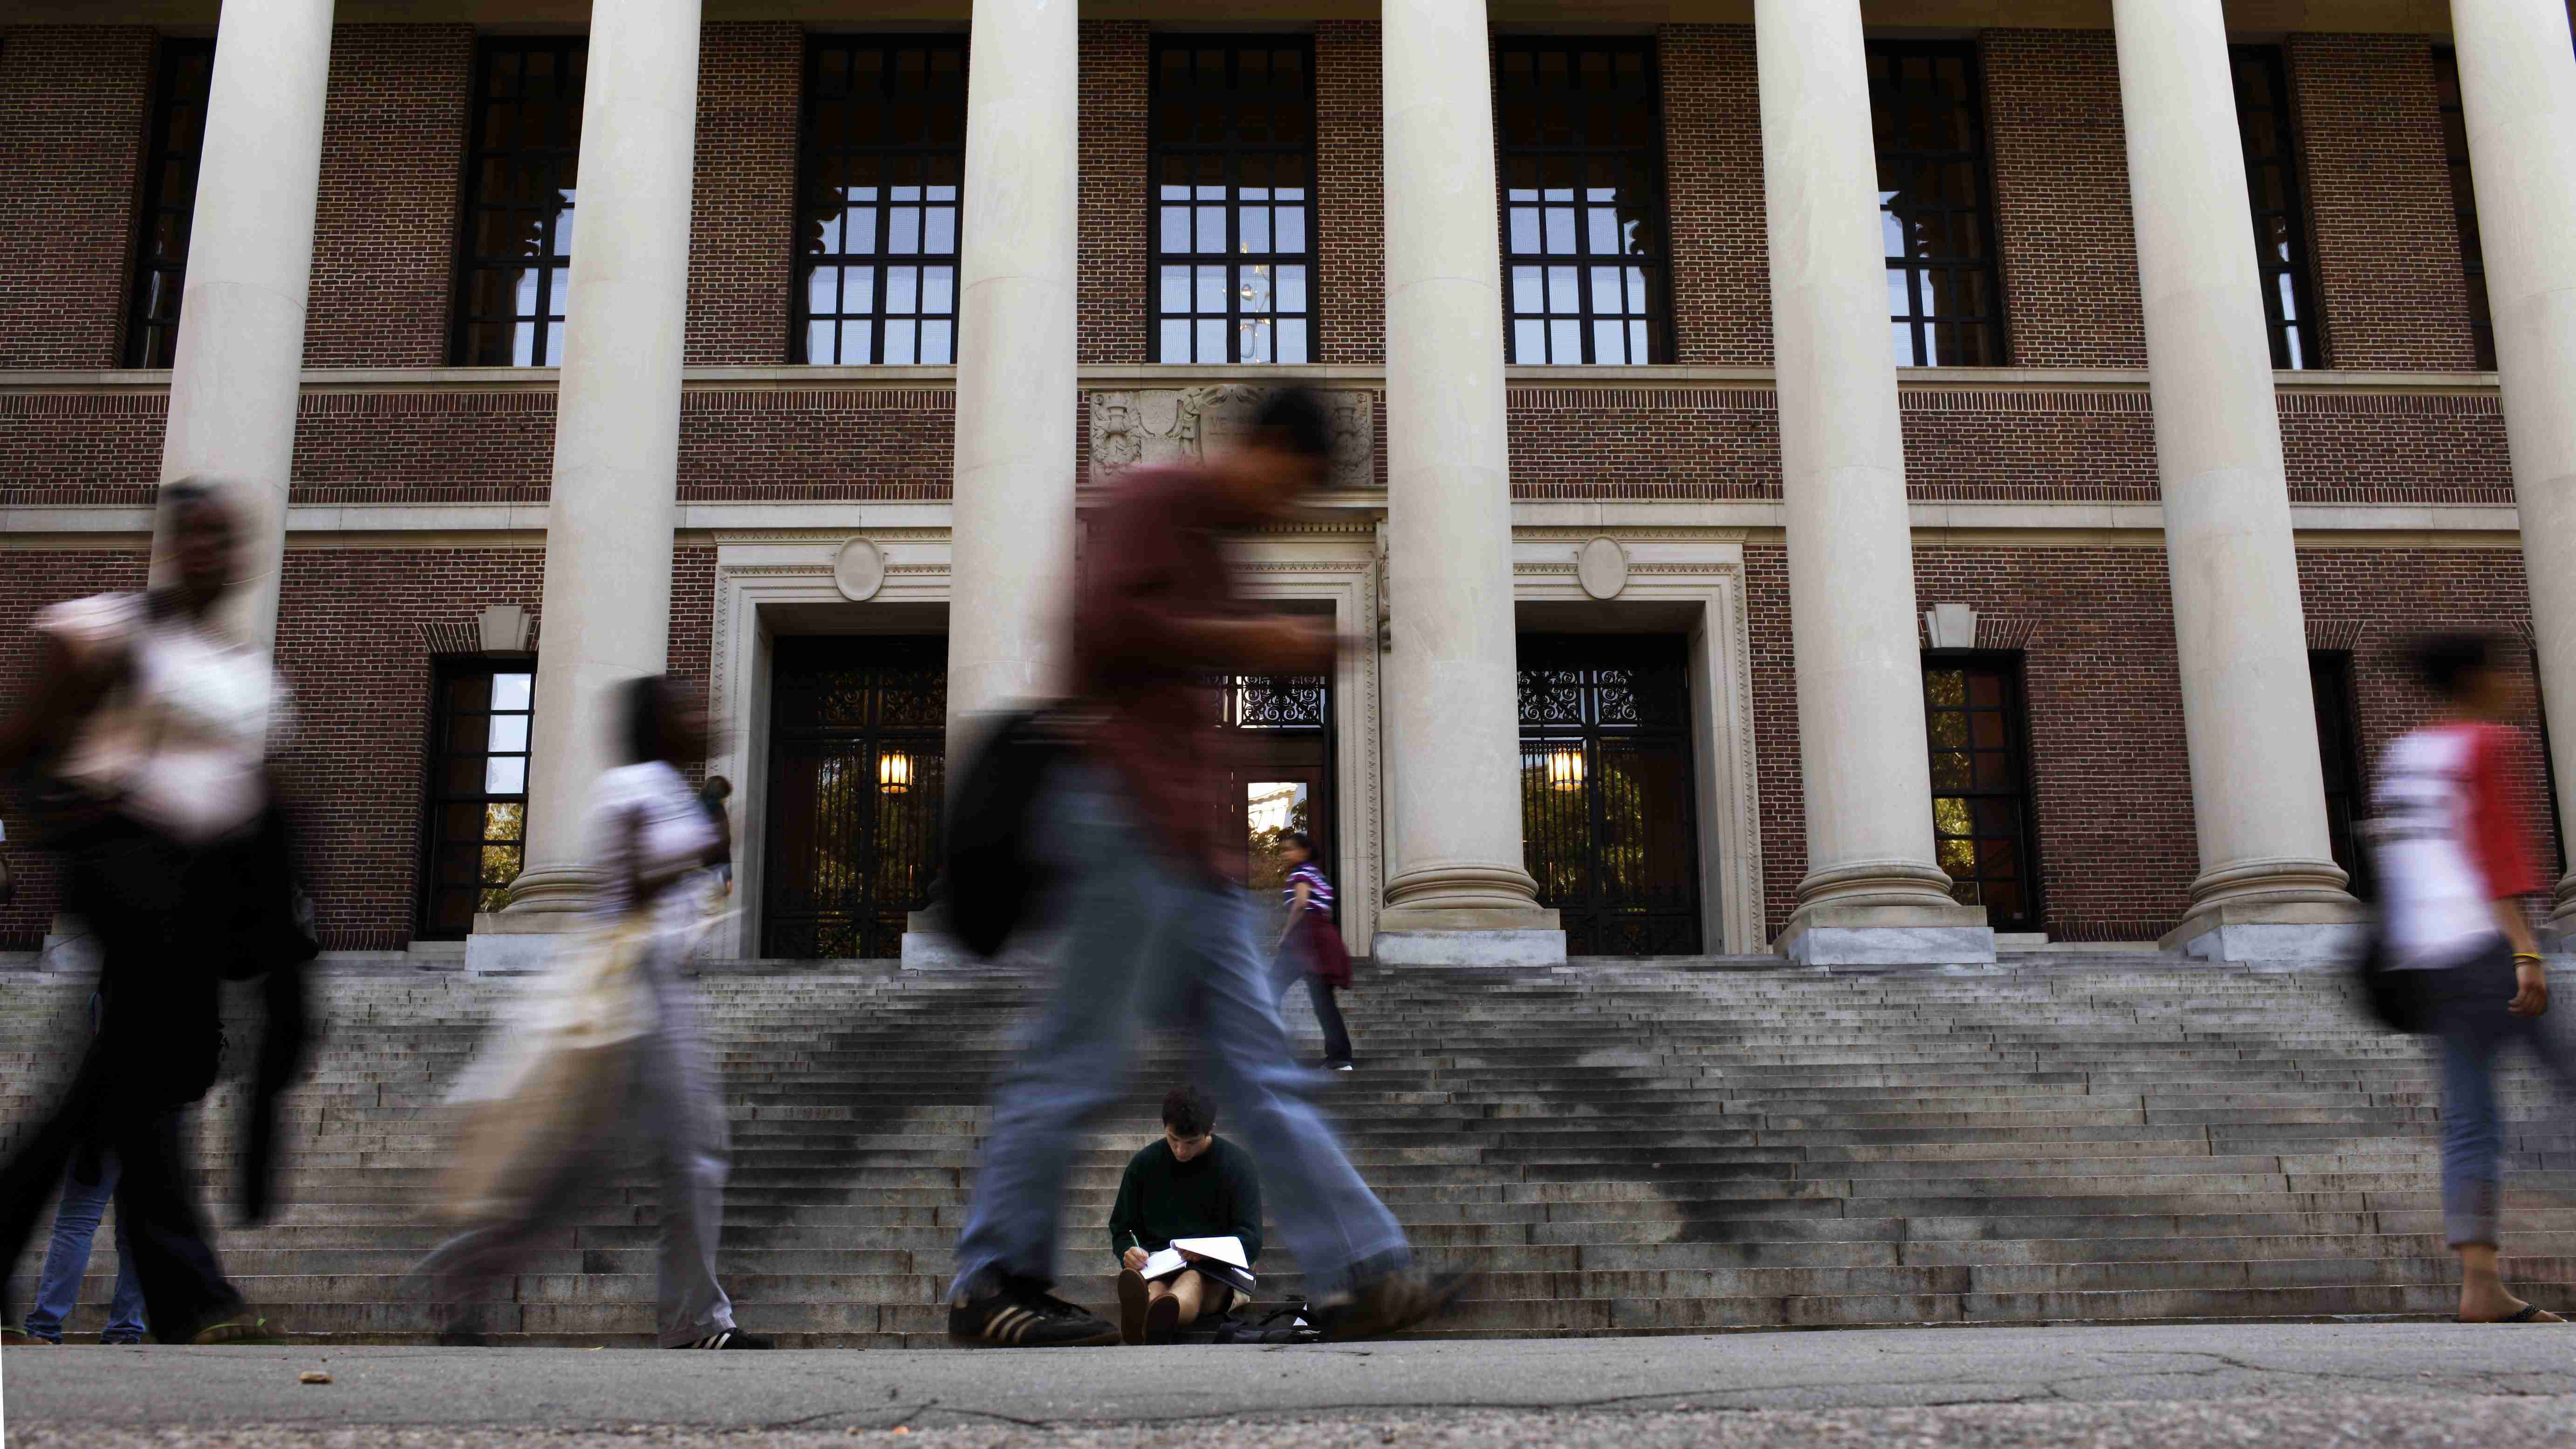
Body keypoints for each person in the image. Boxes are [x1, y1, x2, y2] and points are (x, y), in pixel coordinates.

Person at [945, 386, 1466, 1348]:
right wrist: (1245, 639)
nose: (1289, 506)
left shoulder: (1218, 547)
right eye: (1294, 482)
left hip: (1196, 855)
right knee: (1073, 1062)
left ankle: (1369, 1269)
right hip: (1118, 822)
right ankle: (989, 1283)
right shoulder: (1155, 500)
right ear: (1264, 447)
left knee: (1268, 1076)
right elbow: (1096, 631)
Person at [0, 481, 306, 1346]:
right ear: (170, 545)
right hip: (124, 876)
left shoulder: (245, 678)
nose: (211, 553)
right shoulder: (102, 631)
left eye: (226, 538)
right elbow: (23, 751)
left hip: (197, 897)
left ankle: (184, 1294)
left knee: (115, 1089)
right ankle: (192, 1295)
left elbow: (263, 803)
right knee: (138, 1083)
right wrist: (71, 836)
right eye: (196, 537)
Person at [418, 677, 770, 1350]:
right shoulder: (630, 786)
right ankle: (695, 1321)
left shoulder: (666, 790)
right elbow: (634, 878)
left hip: (651, 981)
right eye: (686, 709)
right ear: (656, 725)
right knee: (686, 1153)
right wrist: (702, 843)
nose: (705, 715)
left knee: (587, 1165)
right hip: (629, 987)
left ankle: (463, 1273)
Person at [2372, 632, 2576, 1325]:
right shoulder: (2485, 744)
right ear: (2476, 679)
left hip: (2427, 958)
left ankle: (2479, 1282)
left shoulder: (2403, 755)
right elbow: (2496, 850)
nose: (2516, 682)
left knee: (2470, 1118)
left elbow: (2400, 860)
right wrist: (2526, 950)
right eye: (2504, 671)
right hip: (2486, 947)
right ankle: (2484, 1285)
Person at [16, 992, 147, 1345]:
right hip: (154, 1124)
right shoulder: (184, 992)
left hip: (102, 1118)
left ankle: (45, 1325)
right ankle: (126, 1328)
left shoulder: (111, 991)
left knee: (75, 1224)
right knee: (135, 1235)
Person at [1108, 1086, 1264, 1344]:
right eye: (1173, 1140)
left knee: (1191, 1279)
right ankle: (1151, 1318)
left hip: (1217, 1270)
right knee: (1158, 1285)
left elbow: (1251, 1238)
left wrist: (1208, 1252)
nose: (1181, 1151)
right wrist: (1127, 1249)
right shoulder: (1144, 1164)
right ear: (1165, 1128)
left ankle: (1150, 1317)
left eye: (1192, 1142)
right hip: (1158, 1264)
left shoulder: (1237, 1165)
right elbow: (1123, 1227)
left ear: (1210, 1129)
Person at [1272, 833, 1353, 1070]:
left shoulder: (1300, 873)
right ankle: (1340, 1058)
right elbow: (1325, 911)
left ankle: (1268, 1051)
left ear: (1304, 851)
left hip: (1304, 938)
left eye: (1290, 849)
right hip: (1324, 939)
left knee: (1269, 990)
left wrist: (1285, 934)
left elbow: (1300, 904)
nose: (1285, 854)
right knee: (1324, 1002)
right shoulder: (1319, 876)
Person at [697, 775, 735, 893]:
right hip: (708, 875)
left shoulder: (693, 806)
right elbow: (723, 848)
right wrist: (727, 877)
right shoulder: (718, 813)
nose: (726, 801)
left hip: (686, 875)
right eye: (725, 797)